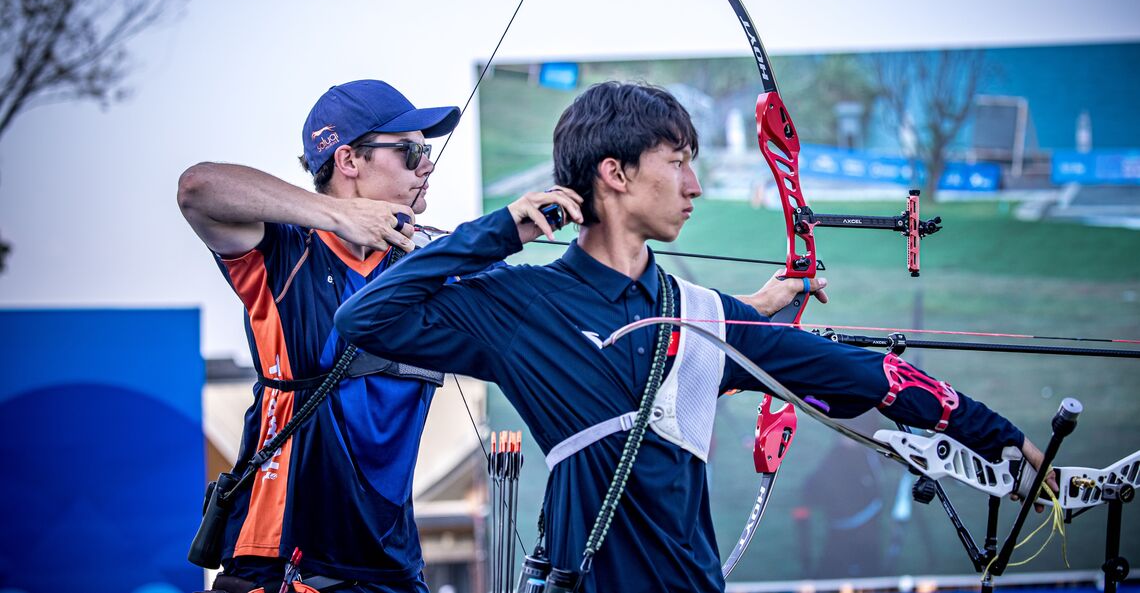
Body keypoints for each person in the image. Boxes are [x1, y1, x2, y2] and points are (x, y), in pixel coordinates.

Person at [332, 82, 1048, 593]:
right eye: (676, 161)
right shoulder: (523, 304)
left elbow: (862, 376)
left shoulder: (703, 314)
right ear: (613, 173)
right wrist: (503, 231)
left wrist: (997, 436)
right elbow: (364, 318)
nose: (694, 183)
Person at [177, 79, 460, 593]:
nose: (428, 164)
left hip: (390, 564)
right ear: (349, 160)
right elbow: (198, 189)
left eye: (429, 151)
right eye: (412, 150)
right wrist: (340, 216)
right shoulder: (283, 250)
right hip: (282, 556)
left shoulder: (426, 257)